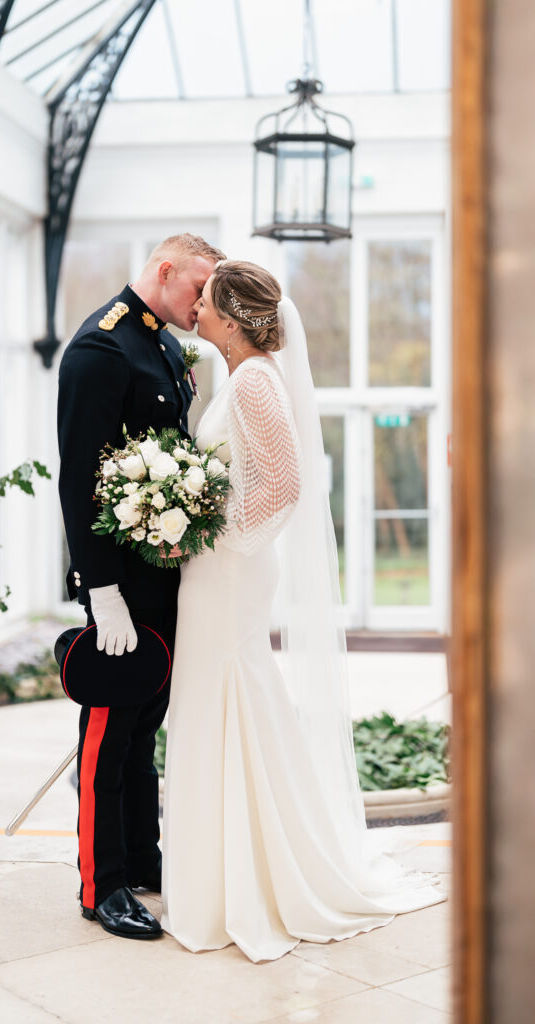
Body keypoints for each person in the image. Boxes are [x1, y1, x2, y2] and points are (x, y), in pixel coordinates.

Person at [161, 260, 445, 962]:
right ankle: (222, 875)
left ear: (230, 315)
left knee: (234, 696)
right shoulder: (240, 377)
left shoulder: (255, 379)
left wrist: (218, 537)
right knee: (215, 701)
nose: (193, 307)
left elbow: (286, 484)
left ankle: (252, 882)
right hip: (215, 568)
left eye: (204, 300)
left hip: (230, 570)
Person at [57, 233, 225, 941]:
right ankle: (102, 886)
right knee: (108, 732)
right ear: (164, 271)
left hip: (163, 578)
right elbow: (78, 478)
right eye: (198, 288)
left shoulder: (162, 347)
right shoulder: (102, 348)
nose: (203, 304)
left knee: (142, 731)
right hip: (119, 586)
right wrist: (100, 591)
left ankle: (140, 858)